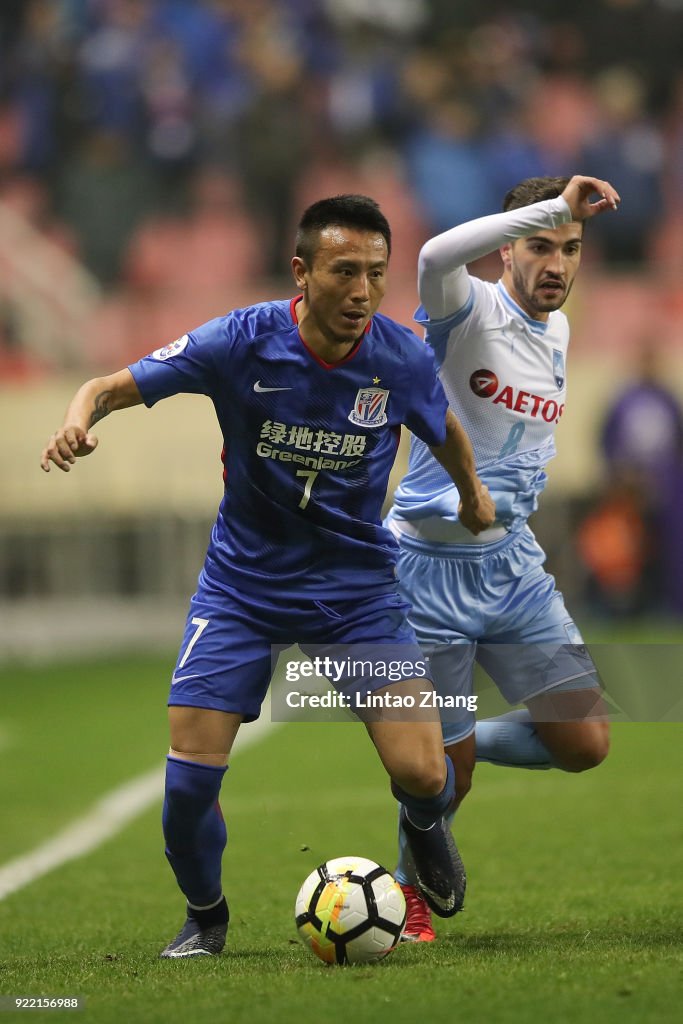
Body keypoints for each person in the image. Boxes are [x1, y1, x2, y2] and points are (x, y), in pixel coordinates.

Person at [40, 194, 496, 958]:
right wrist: (79, 418)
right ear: (301, 271)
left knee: (424, 772)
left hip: (354, 590)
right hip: (243, 588)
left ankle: (424, 828)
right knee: (186, 788)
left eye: (376, 275)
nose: (361, 291)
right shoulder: (239, 342)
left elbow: (441, 425)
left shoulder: (399, 357)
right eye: (344, 271)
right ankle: (206, 917)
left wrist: (474, 494)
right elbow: (109, 385)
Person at [385, 175, 621, 942]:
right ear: (509, 246)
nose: (557, 263)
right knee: (441, 785)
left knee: (583, 744)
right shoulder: (466, 307)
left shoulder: (557, 332)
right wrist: (553, 207)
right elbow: (430, 252)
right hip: (427, 572)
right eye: (542, 245)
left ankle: (447, 740)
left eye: (571, 249)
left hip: (513, 569)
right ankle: (403, 890)